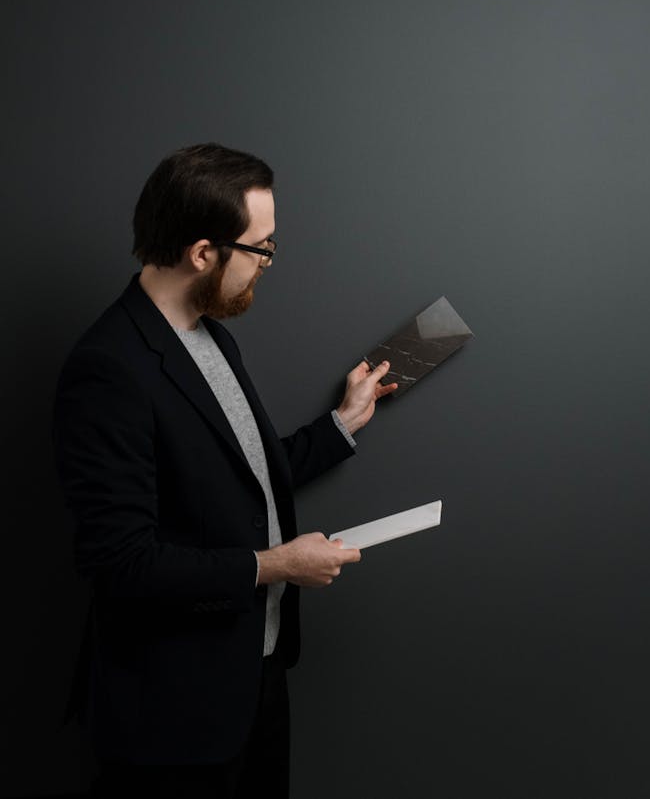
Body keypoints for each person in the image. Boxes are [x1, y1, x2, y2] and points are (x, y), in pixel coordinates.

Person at [53, 143, 396, 798]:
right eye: (261, 249)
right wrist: (277, 566)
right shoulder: (108, 370)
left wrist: (341, 425)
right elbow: (120, 564)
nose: (269, 264)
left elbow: (239, 481)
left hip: (254, 680)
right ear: (203, 253)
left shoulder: (213, 337)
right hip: (172, 720)